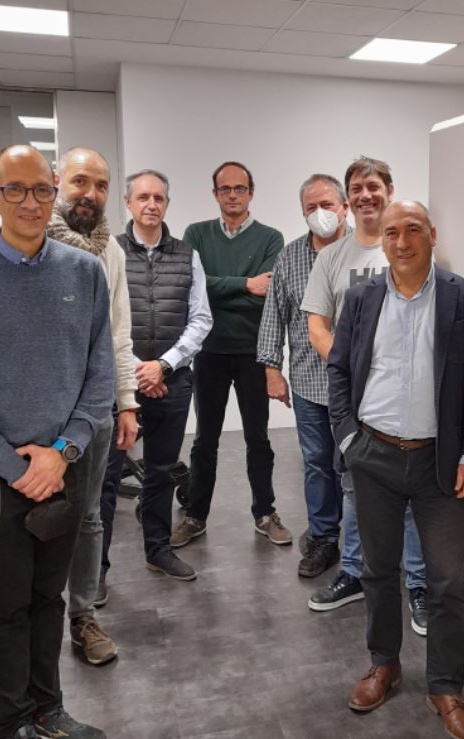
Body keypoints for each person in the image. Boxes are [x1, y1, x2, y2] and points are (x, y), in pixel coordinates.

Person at [0, 144, 113, 739]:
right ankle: (12, 719)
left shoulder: (84, 272)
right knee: (4, 603)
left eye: (42, 189)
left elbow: (99, 376)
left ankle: (48, 709)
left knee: (49, 597)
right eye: (15, 189)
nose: (30, 202)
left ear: (55, 195)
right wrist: (14, 466)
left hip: (64, 467)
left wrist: (61, 453)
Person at [329, 201, 464, 739]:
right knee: (378, 570)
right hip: (372, 455)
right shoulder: (361, 297)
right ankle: (384, 665)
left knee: (446, 581)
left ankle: (445, 687)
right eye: (393, 232)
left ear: (432, 235)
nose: (402, 242)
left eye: (413, 230)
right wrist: (348, 438)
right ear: (383, 240)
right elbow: (339, 371)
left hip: (438, 463)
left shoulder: (463, 297)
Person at [299, 157, 428, 634]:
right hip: (356, 395)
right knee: (354, 485)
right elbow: (317, 324)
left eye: (373, 186)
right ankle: (353, 572)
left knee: (412, 492)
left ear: (389, 190)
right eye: (356, 188)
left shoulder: (409, 248)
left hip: (408, 395)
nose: (365, 195)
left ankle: (418, 584)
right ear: (348, 199)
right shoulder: (332, 257)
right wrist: (351, 368)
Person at [97, 169, 213, 586]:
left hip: (172, 381)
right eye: (143, 197)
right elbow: (101, 319)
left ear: (167, 204)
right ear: (127, 203)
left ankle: (158, 551)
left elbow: (201, 320)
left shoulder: (187, 255)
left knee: (162, 471)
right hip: (118, 384)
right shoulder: (108, 251)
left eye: (158, 198)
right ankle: (97, 569)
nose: (151, 204)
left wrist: (162, 365)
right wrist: (135, 370)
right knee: (107, 477)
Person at [46, 147, 139, 666]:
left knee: (87, 517)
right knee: (17, 526)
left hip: (94, 409)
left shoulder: (111, 252)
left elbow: (118, 334)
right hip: (34, 412)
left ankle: (82, 615)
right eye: (80, 181)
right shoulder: (27, 240)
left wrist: (126, 403)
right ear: (57, 181)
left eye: (101, 185)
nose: (90, 194)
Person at [171, 161, 291, 548]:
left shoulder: (270, 238)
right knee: (205, 439)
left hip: (253, 353)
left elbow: (266, 294)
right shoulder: (197, 234)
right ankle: (195, 515)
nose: (233, 195)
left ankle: (265, 513)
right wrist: (244, 284)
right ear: (215, 194)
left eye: (240, 188)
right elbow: (193, 285)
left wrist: (219, 292)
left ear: (251, 192)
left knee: (258, 438)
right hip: (209, 352)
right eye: (226, 189)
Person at [257, 174, 350, 577]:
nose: (320, 213)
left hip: (357, 385)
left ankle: (363, 543)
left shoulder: (365, 252)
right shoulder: (290, 256)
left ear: (344, 207)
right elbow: (273, 315)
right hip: (309, 382)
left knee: (354, 465)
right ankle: (324, 537)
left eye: (327, 205)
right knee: (316, 462)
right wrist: (271, 369)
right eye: (311, 207)